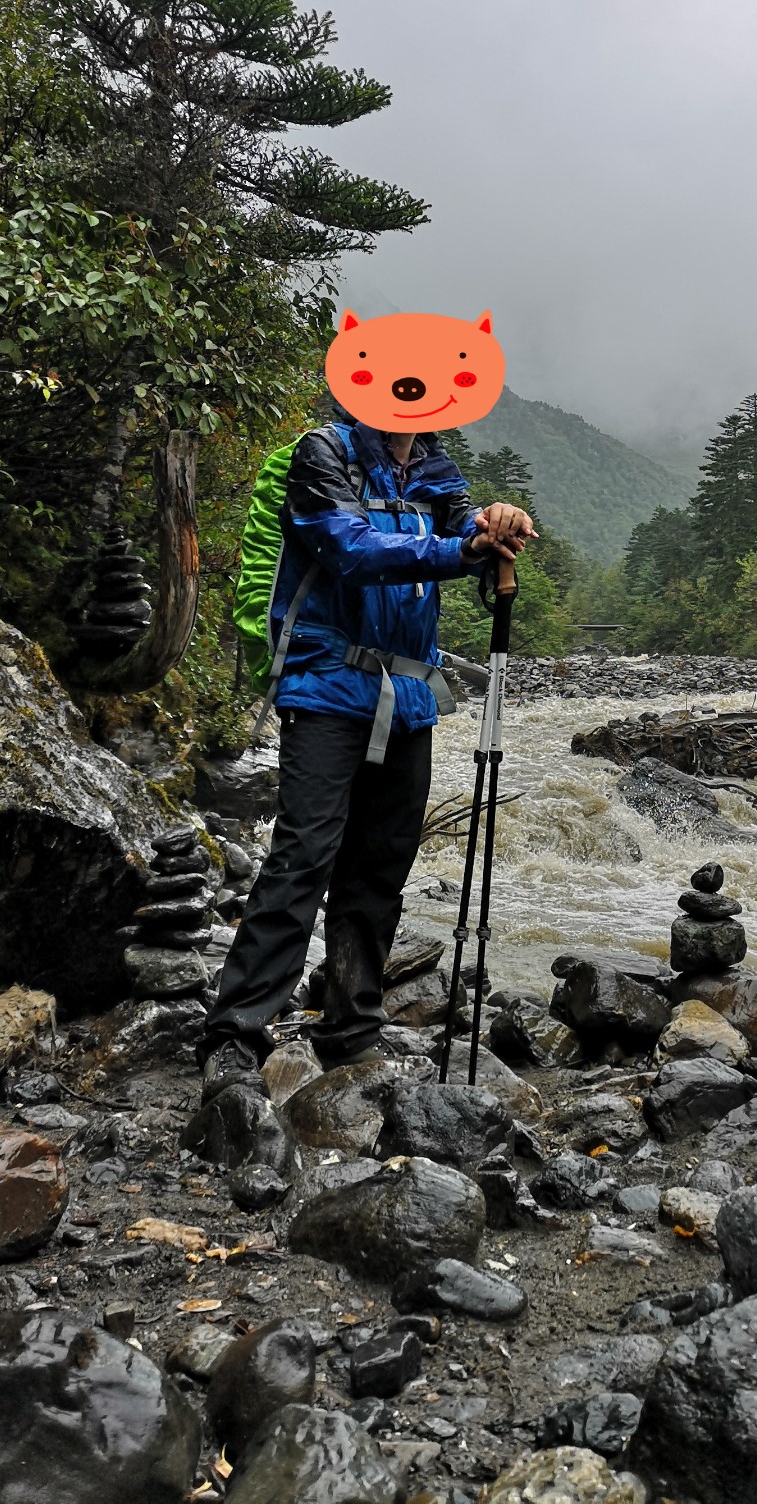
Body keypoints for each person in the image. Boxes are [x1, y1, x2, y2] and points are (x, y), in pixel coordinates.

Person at [197, 413, 534, 1097]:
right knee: (303, 857)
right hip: (325, 685)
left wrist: (497, 524)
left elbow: (464, 531)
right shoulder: (325, 455)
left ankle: (351, 1026)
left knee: (380, 866)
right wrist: (460, 552)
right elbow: (351, 550)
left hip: (408, 692)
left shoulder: (437, 469)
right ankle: (235, 1033)